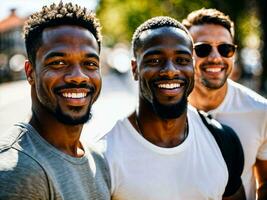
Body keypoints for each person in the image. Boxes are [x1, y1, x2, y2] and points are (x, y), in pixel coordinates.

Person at [97, 16, 245, 200]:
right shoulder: (103, 156)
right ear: (135, 69)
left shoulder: (223, 141)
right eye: (154, 60)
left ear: (193, 66)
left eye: (182, 60)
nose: (170, 70)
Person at [0, 2, 110, 200]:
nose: (78, 77)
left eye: (90, 64)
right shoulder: (17, 171)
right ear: (30, 72)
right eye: (58, 63)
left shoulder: (98, 158)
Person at [182, 8, 267, 200]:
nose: (215, 57)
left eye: (225, 49)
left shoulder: (261, 112)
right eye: (202, 49)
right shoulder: (167, 111)